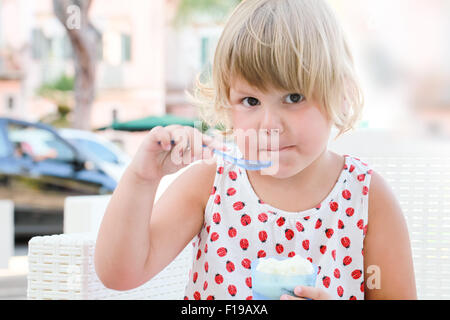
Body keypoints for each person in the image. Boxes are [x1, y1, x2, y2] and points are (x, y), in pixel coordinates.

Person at [95, 0, 416, 300]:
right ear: (228, 104)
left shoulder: (366, 197)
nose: (269, 124)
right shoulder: (210, 184)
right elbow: (120, 275)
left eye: (294, 97)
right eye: (251, 101)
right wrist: (142, 178)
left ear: (341, 94)